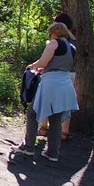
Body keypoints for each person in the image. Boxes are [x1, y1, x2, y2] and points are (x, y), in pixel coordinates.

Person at [15, 21, 78, 162]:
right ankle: (53, 152)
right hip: (65, 83)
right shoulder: (72, 47)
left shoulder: (53, 43)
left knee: (32, 113)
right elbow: (60, 64)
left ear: (54, 32)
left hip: (52, 84)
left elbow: (43, 62)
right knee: (55, 118)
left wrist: (32, 66)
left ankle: (29, 147)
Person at [38, 12, 76, 141]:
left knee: (47, 100)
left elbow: (47, 60)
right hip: (70, 74)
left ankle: (43, 128)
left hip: (55, 74)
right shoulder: (74, 40)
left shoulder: (55, 41)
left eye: (55, 22)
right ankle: (64, 133)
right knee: (65, 104)